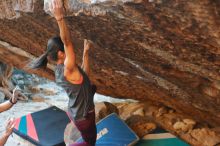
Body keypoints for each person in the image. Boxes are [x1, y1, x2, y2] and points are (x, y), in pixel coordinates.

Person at [28, 0, 97, 145]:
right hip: (84, 118)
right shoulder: (67, 68)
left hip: (76, 113)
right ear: (60, 54)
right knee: (90, 142)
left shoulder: (60, 71)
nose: (67, 51)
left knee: (91, 88)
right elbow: (67, 42)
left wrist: (85, 53)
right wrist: (59, 18)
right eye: (64, 50)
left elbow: (84, 78)